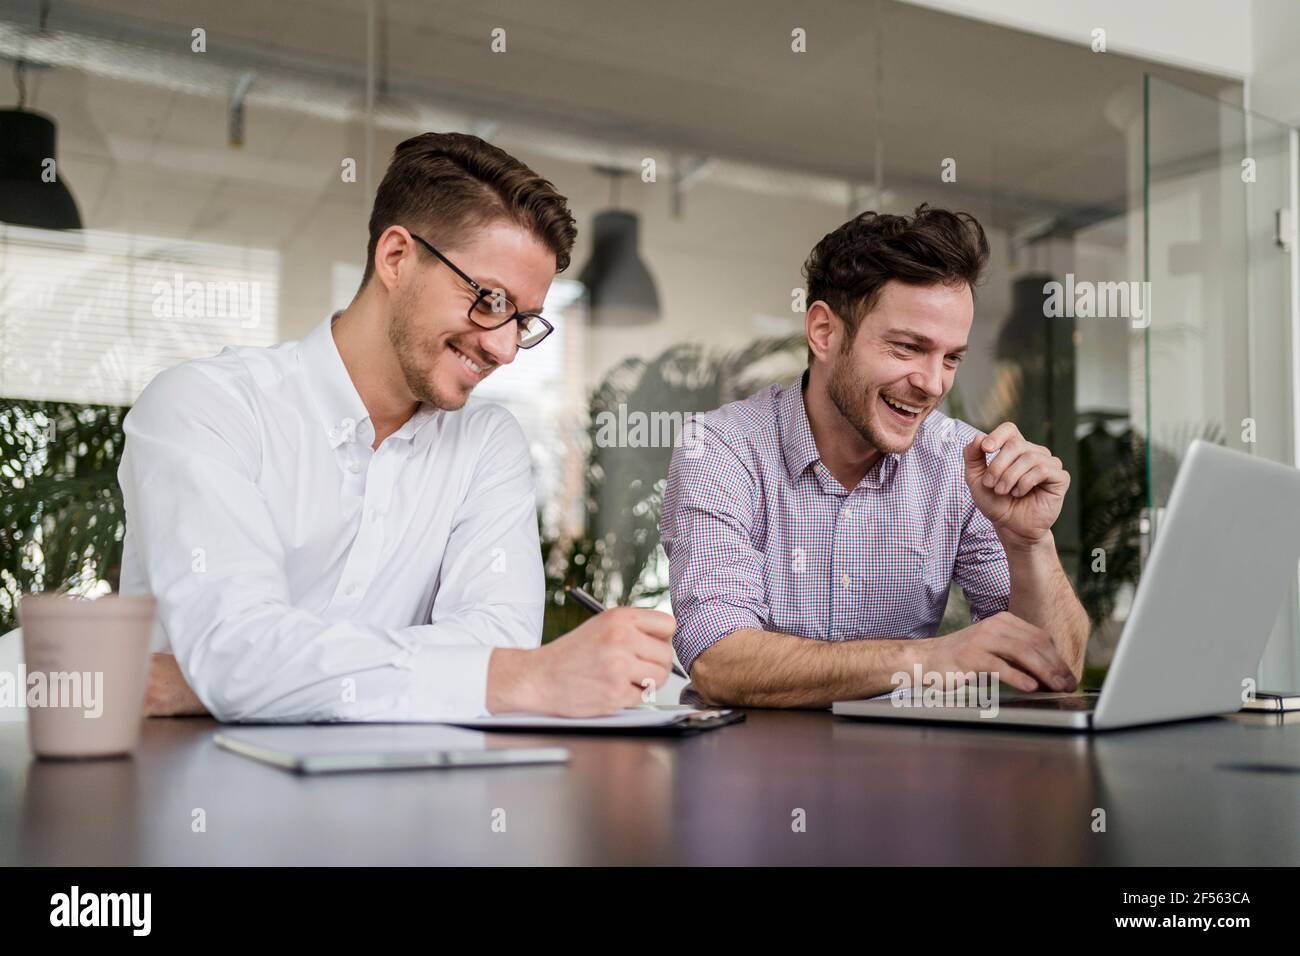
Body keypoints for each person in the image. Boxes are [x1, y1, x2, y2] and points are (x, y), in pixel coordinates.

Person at [122, 132, 673, 722]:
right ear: (396, 258)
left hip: (407, 794)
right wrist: (241, 672)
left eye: (525, 321)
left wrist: (217, 684)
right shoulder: (207, 406)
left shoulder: (488, 443)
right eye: (489, 299)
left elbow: (499, 643)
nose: (506, 348)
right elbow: (239, 653)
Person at [660, 205, 1088, 708]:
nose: (933, 384)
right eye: (908, 348)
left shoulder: (961, 461)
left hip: (911, 774)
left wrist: (1028, 542)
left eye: (951, 358)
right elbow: (720, 660)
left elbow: (1053, 672)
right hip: (758, 772)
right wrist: (930, 660)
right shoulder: (721, 448)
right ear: (824, 332)